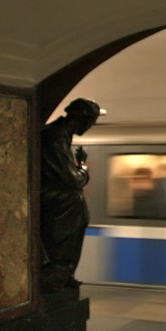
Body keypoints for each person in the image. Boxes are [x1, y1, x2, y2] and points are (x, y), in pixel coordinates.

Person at [40, 98, 103, 292]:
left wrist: (78, 170)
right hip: (53, 198)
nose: (90, 126)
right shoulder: (57, 135)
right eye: (90, 121)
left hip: (56, 195)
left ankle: (65, 272)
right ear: (81, 118)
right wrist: (83, 170)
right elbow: (70, 179)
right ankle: (58, 271)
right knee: (76, 207)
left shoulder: (63, 135)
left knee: (79, 213)